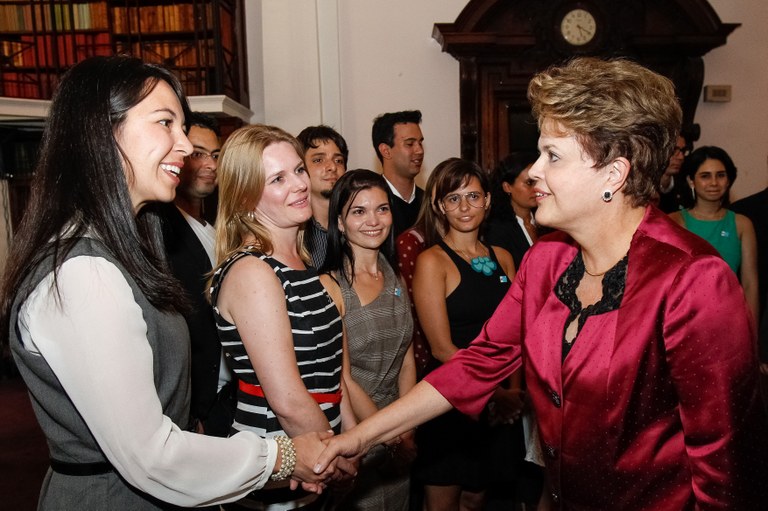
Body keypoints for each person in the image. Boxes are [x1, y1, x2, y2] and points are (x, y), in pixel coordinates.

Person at [313, 57, 768, 510]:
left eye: (552, 155)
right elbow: (476, 364)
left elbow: (726, 471)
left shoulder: (694, 280)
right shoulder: (547, 262)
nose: (532, 172)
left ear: (614, 173)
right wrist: (357, 437)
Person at [0, 56, 334, 510]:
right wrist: (284, 454)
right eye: (165, 123)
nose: (185, 146)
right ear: (102, 131)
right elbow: (151, 456)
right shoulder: (82, 272)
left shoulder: (121, 252)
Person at [208, 124, 356, 510]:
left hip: (318, 458)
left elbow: (331, 373)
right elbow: (288, 399)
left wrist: (352, 441)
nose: (299, 184)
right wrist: (337, 455)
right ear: (245, 197)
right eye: (277, 178)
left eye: (298, 170)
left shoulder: (300, 262)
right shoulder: (253, 271)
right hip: (278, 473)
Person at [411, 158, 519, 511]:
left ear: (487, 200)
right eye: (454, 199)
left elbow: (515, 335)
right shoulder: (432, 261)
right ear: (441, 206)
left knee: (476, 499)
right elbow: (442, 349)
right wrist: (495, 394)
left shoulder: (503, 257)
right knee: (443, 502)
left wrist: (513, 392)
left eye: (472, 196)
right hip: (451, 399)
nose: (464, 207)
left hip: (498, 399)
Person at [319, 169, 416, 510]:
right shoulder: (331, 286)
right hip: (359, 432)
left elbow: (406, 358)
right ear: (341, 223)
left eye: (382, 208)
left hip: (400, 427)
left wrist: (408, 428)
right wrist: (391, 438)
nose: (373, 220)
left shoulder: (395, 275)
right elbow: (343, 379)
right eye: (359, 211)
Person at [152, 112, 235, 438]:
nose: (210, 164)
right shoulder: (162, 230)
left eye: (216, 155)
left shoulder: (215, 228)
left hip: (225, 396)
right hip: (197, 405)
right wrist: (192, 411)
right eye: (198, 153)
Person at [669, 146, 759, 326]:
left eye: (720, 175)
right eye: (705, 176)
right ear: (691, 181)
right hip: (682, 322)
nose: (713, 183)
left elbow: (750, 284)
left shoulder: (742, 224)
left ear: (728, 180)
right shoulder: (674, 221)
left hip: (731, 320)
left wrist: (752, 332)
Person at [296, 125, 349, 268]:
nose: (332, 166)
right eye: (318, 160)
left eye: (338, 160)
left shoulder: (358, 223)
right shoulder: (293, 233)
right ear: (300, 169)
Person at [372, 110, 425, 237]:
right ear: (386, 151)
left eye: (420, 143)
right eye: (410, 144)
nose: (419, 150)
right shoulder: (370, 204)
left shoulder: (430, 203)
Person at [484, 151, 541, 268]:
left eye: (538, 181)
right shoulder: (496, 229)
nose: (536, 188)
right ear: (507, 187)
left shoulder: (548, 223)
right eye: (529, 183)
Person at [657, 131, 693, 213]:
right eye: (674, 150)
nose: (681, 157)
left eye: (683, 151)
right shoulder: (642, 186)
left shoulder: (685, 187)